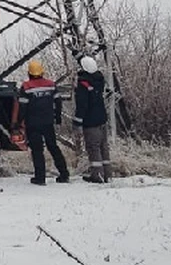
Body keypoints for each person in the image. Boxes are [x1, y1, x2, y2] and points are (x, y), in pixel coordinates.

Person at [18, 60, 69, 185]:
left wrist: (18, 122)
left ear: (29, 73)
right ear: (42, 72)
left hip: (33, 123)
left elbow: (22, 107)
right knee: (53, 147)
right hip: (48, 122)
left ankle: (40, 178)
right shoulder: (51, 85)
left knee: (37, 150)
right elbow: (58, 102)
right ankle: (64, 174)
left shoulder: (26, 87)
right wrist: (57, 117)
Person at [73, 55, 111, 183]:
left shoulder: (83, 84)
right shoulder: (99, 79)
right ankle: (107, 174)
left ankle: (97, 175)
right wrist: (78, 55)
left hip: (90, 121)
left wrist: (77, 121)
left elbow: (82, 104)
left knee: (93, 147)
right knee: (103, 146)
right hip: (102, 118)